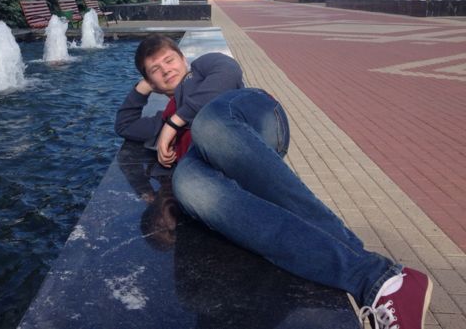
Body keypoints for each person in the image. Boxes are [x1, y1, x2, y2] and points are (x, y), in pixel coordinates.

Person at [115, 34, 433, 329]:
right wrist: (144, 89)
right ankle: (379, 281)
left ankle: (382, 280)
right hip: (227, 161)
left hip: (251, 118)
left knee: (207, 125)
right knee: (187, 183)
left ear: (183, 58)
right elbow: (124, 124)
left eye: (169, 60)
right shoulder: (161, 118)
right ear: (151, 81)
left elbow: (228, 74)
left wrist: (175, 123)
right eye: (155, 70)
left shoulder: (202, 69)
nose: (165, 69)